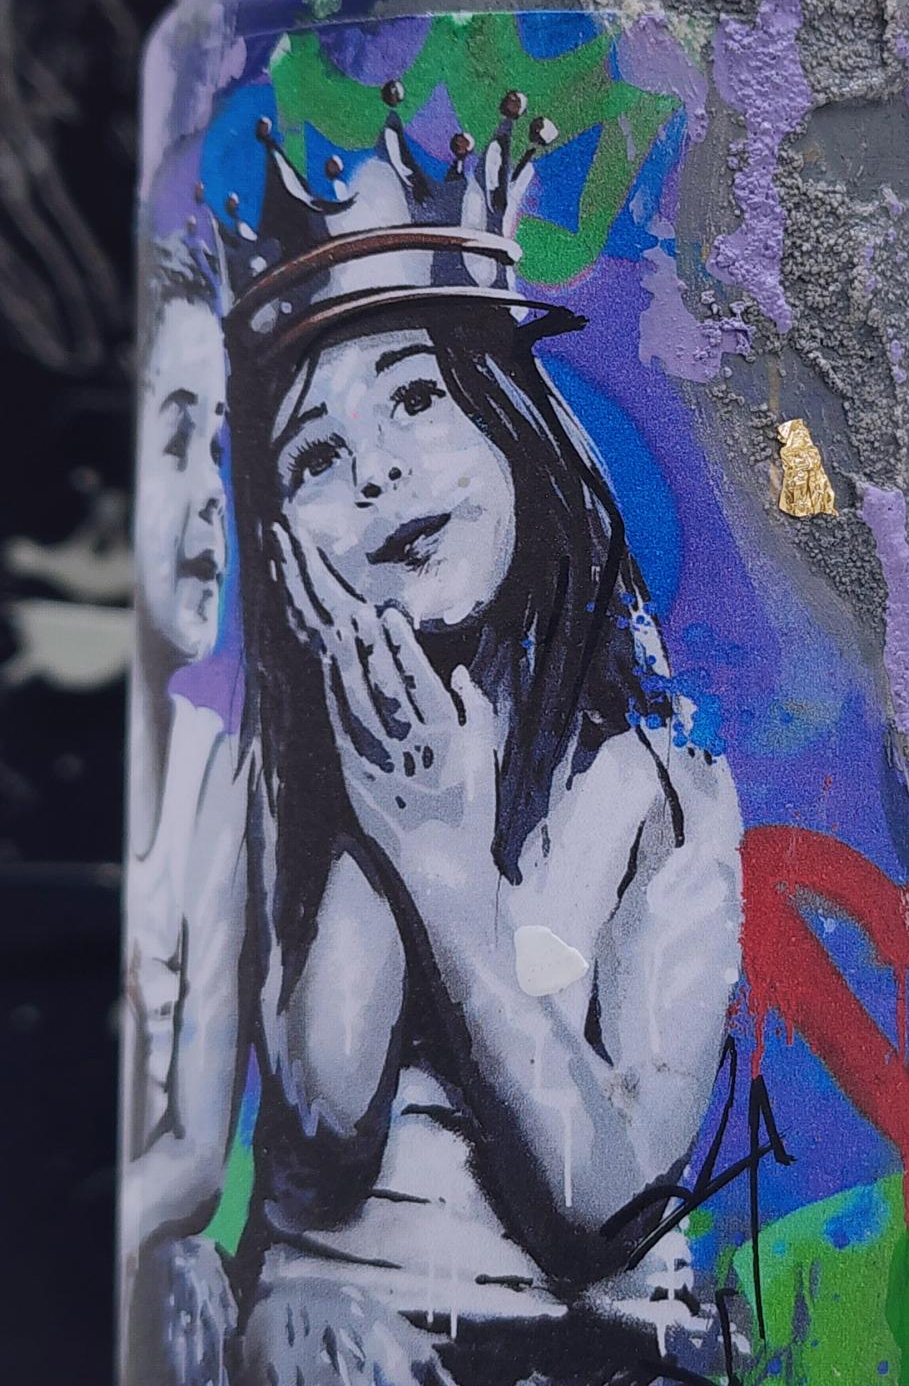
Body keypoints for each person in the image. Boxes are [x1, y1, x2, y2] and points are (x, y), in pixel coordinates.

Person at [227, 288, 742, 1386]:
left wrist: (446, 875)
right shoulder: (290, 789)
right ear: (282, 550)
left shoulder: (657, 788)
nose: (377, 474)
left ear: (514, 423)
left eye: (417, 397)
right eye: (314, 456)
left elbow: (614, 1206)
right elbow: (326, 1112)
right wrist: (383, 811)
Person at [122, 233, 251, 1386]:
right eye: (175, 442)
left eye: (219, 445)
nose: (213, 492)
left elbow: (199, 1151)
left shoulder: (215, 777)